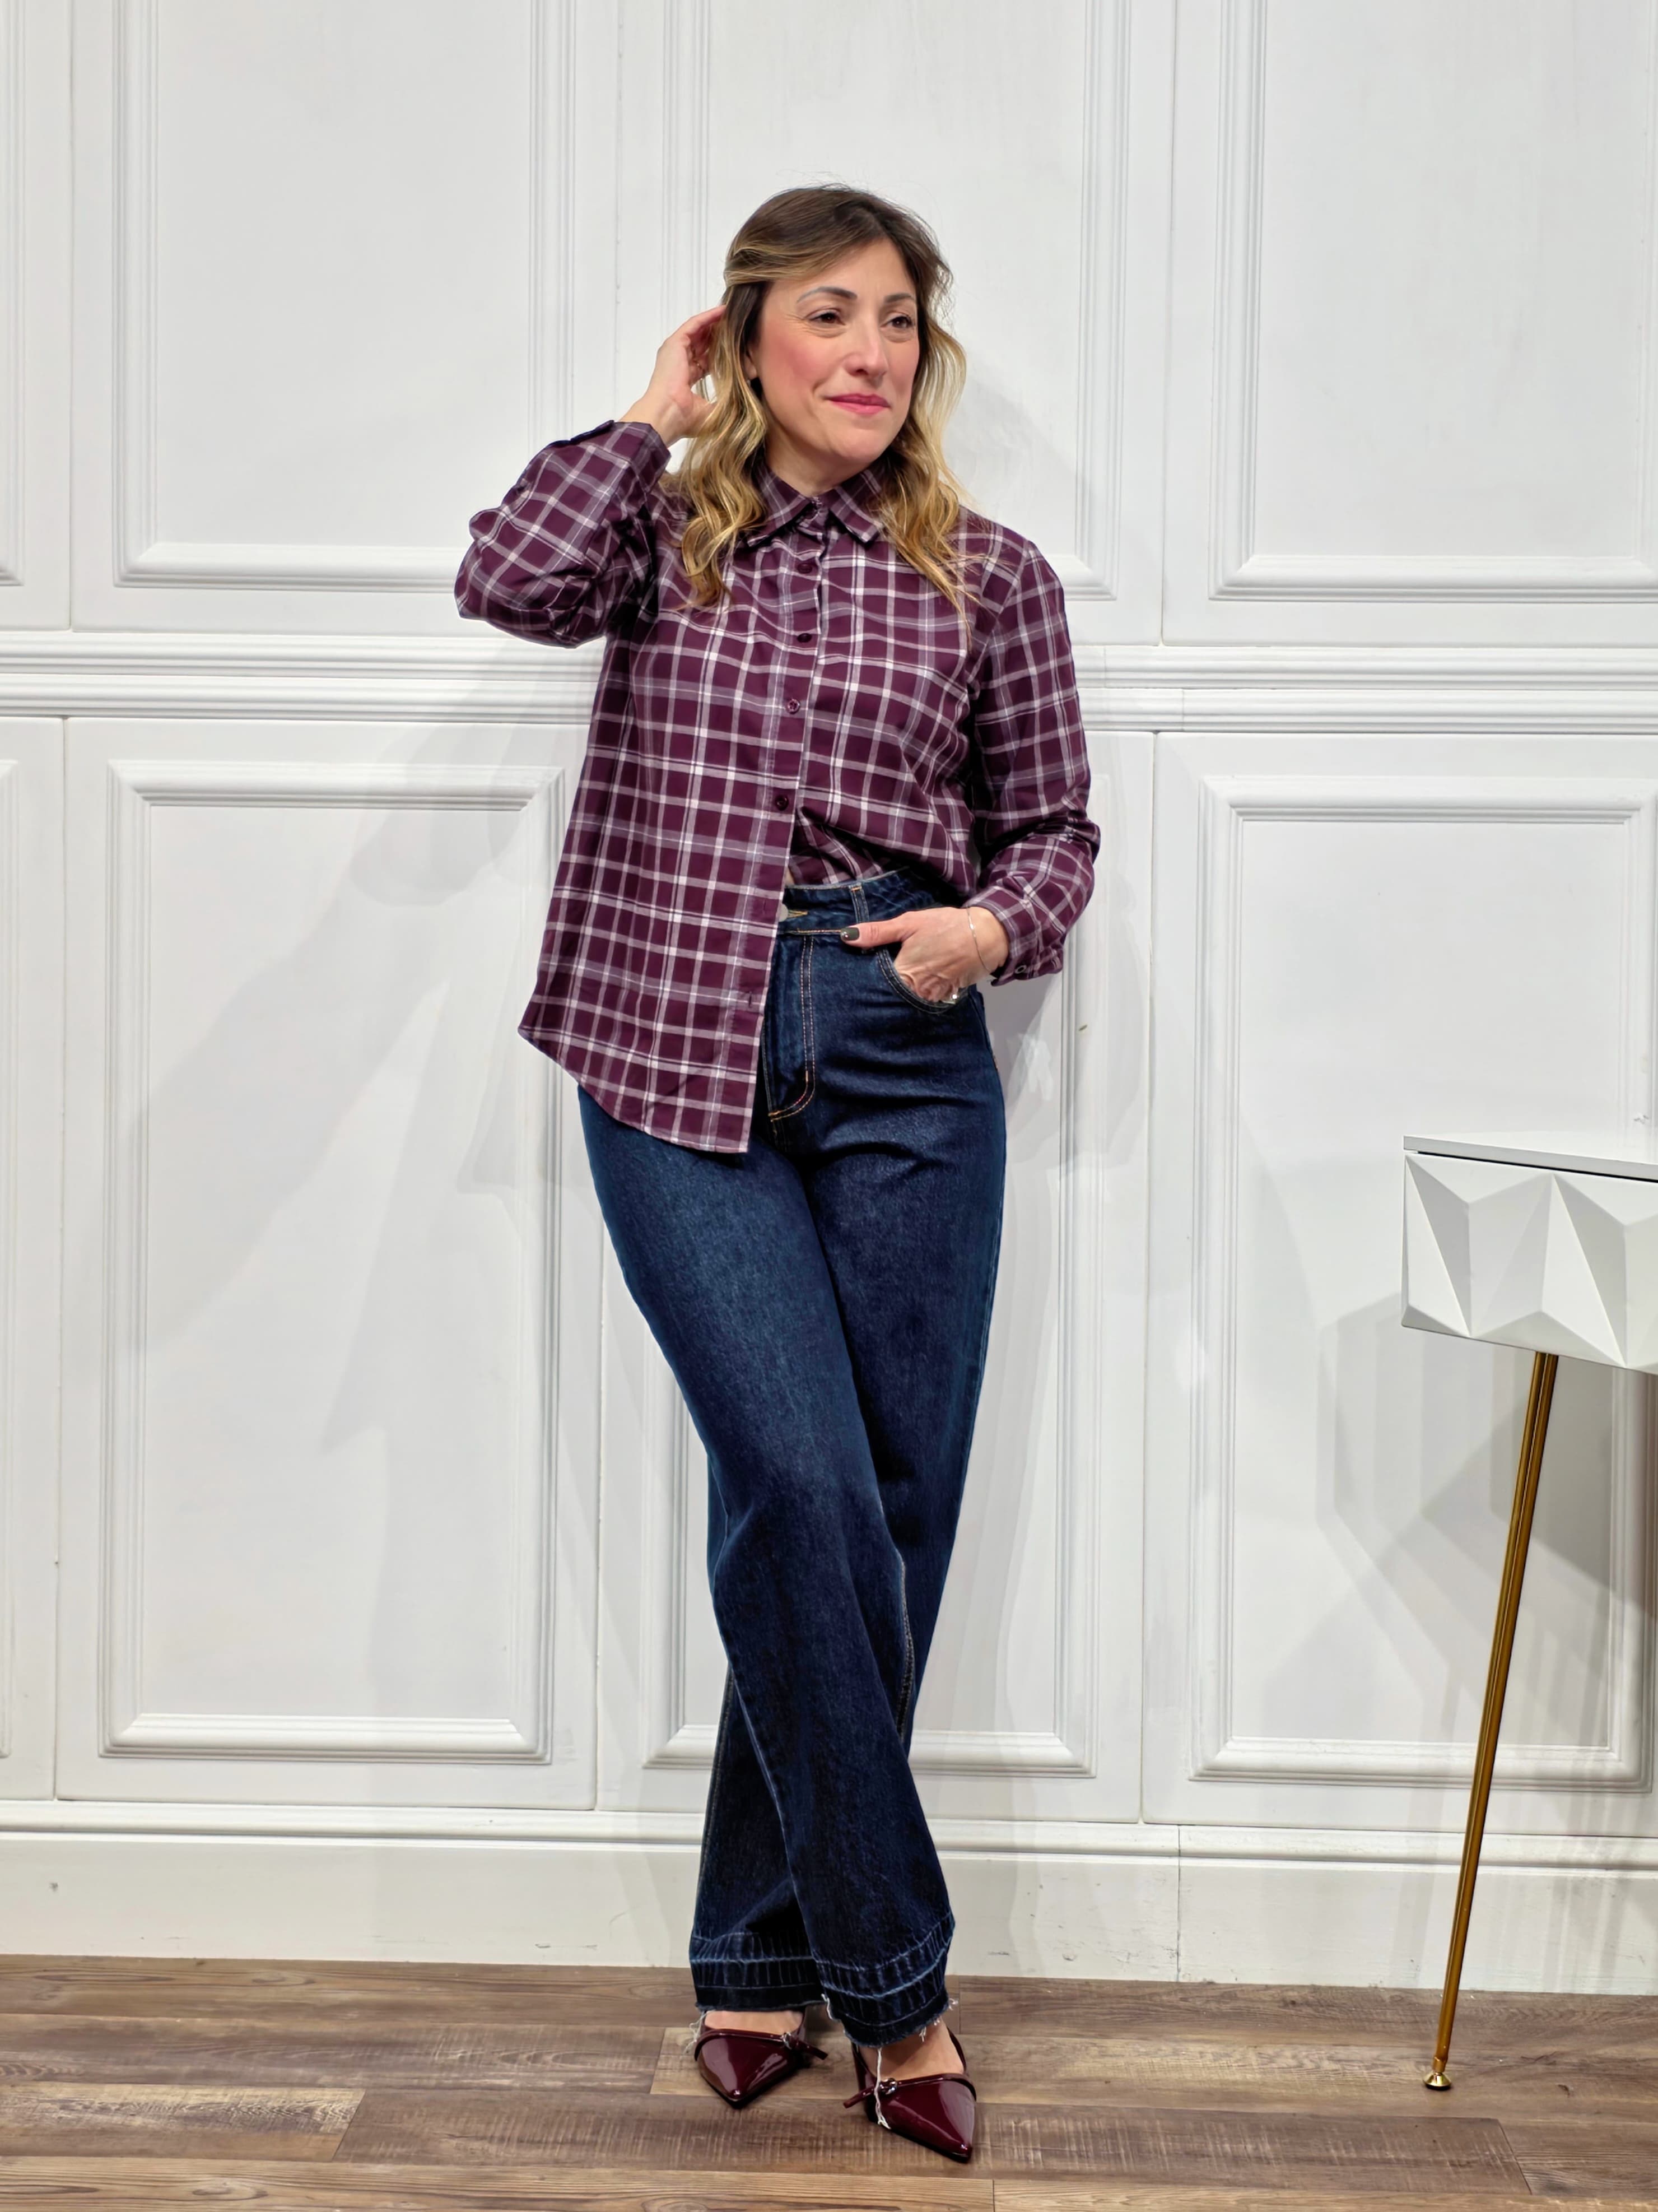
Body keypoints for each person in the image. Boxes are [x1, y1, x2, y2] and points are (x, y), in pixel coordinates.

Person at [455, 183, 1098, 2167]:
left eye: (899, 320)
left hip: (904, 1046)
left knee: (877, 1517)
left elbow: (1057, 832)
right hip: (671, 1042)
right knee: (802, 1484)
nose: (871, 352)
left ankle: (753, 1952)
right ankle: (898, 1991)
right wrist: (648, 417)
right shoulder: (660, 532)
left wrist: (986, 929)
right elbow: (502, 580)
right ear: (748, 335)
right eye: (829, 312)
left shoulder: (992, 576)